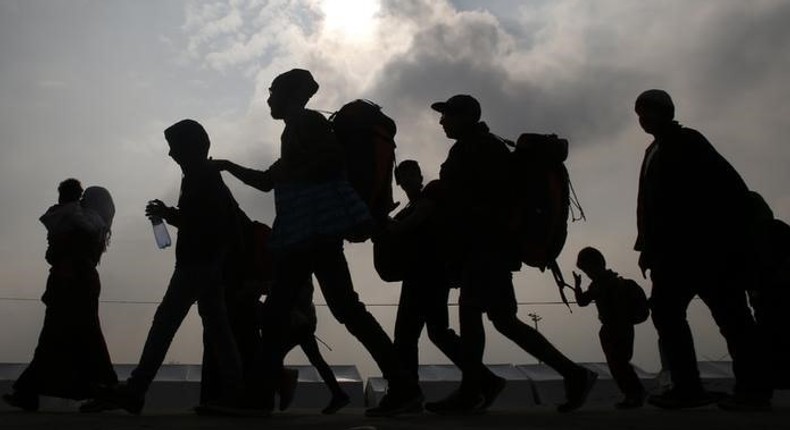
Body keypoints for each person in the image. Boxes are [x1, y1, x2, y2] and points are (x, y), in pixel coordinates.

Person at [211, 68, 422, 417]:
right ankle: (260, 397)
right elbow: (267, 181)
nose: (268, 99)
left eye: (273, 92)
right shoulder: (294, 130)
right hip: (304, 236)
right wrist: (227, 166)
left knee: (333, 312)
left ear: (291, 95)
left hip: (313, 235)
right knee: (310, 313)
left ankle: (403, 387)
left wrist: (291, 172)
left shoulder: (307, 124)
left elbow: (330, 161)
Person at [426, 94, 597, 414]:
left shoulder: (481, 148)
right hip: (486, 248)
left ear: (465, 116)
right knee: (502, 320)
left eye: (447, 114)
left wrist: (450, 204)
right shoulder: (475, 146)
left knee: (472, 313)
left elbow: (491, 200)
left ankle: (472, 389)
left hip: (486, 247)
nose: (441, 121)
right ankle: (572, 374)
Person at [99, 119, 249, 415]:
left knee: (165, 323)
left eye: (174, 147)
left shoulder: (200, 176)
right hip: (209, 264)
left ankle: (136, 389)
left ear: (188, 147)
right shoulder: (202, 175)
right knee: (217, 328)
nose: (170, 154)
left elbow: (205, 223)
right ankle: (236, 392)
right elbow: (207, 220)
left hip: (197, 263)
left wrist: (168, 214)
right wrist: (170, 214)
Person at [633, 89, 771, 411]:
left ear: (666, 112)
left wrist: (723, 241)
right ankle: (689, 387)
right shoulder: (655, 150)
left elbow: (730, 190)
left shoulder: (689, 142)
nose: (644, 118)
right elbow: (652, 206)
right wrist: (647, 247)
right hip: (673, 254)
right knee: (671, 315)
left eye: (649, 111)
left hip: (706, 252)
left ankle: (752, 389)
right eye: (640, 113)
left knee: (731, 317)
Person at [385, 160, 503, 406]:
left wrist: (387, 225)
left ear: (419, 176)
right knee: (435, 333)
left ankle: (410, 393)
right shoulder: (413, 204)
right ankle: (485, 380)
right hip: (424, 275)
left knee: (410, 335)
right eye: (403, 176)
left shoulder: (430, 197)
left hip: (428, 275)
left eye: (411, 175)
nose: (407, 180)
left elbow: (412, 224)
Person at [3, 181, 118, 412]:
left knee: (57, 339)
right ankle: (108, 390)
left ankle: (29, 392)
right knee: (78, 338)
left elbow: (56, 252)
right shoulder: (94, 228)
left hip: (71, 284)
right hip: (78, 284)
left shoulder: (82, 225)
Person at [258, 278, 351, 415]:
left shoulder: (290, 269)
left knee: (272, 358)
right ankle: (337, 393)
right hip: (301, 321)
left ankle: (272, 395)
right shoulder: (300, 271)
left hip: (293, 321)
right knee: (315, 359)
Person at [572, 246, 645, 409]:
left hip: (616, 328)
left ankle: (634, 394)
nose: (588, 274)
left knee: (618, 364)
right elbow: (583, 302)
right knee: (619, 364)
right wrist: (577, 286)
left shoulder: (605, 284)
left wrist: (578, 287)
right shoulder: (603, 283)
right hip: (616, 328)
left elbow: (583, 302)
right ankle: (633, 394)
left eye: (587, 270)